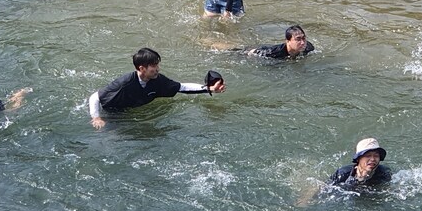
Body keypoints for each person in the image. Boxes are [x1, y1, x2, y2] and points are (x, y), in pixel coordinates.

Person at [88, 48, 225, 130]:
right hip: (112, 115)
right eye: (153, 66)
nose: (157, 69)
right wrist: (96, 118)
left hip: (132, 112)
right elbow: (95, 97)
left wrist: (209, 89)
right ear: (142, 68)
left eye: (157, 65)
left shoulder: (158, 80)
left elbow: (181, 87)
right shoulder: (124, 82)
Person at [248, 25, 315, 59]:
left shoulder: (308, 47)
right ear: (288, 41)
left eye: (304, 38)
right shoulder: (274, 52)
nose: (303, 42)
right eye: (298, 39)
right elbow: (253, 52)